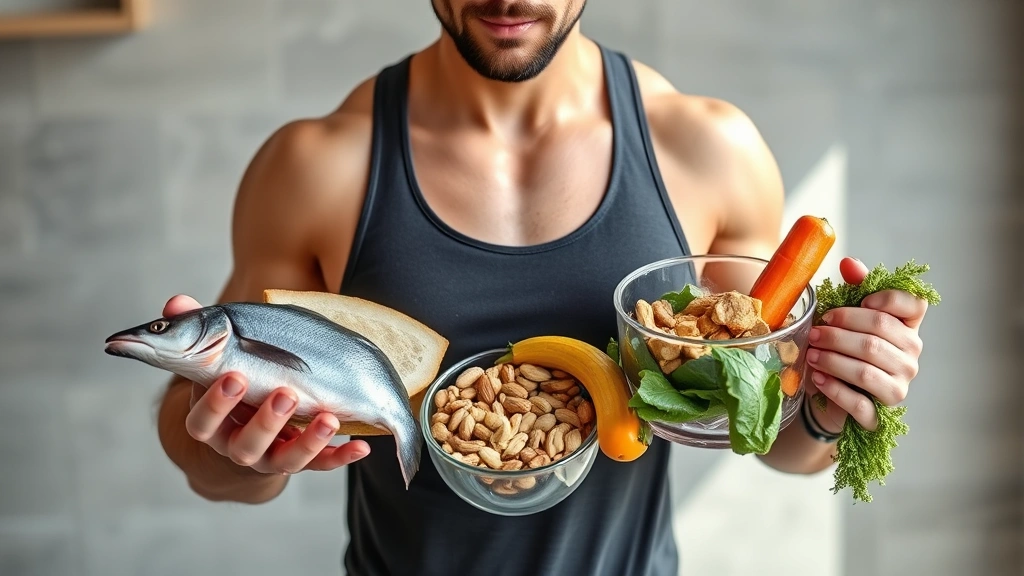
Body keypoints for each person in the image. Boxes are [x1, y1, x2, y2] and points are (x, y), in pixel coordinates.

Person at [153, 1, 931, 574]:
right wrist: (239, 452)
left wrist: (831, 402)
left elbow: (772, 438)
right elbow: (212, 465)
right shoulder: (315, 168)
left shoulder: (706, 149)